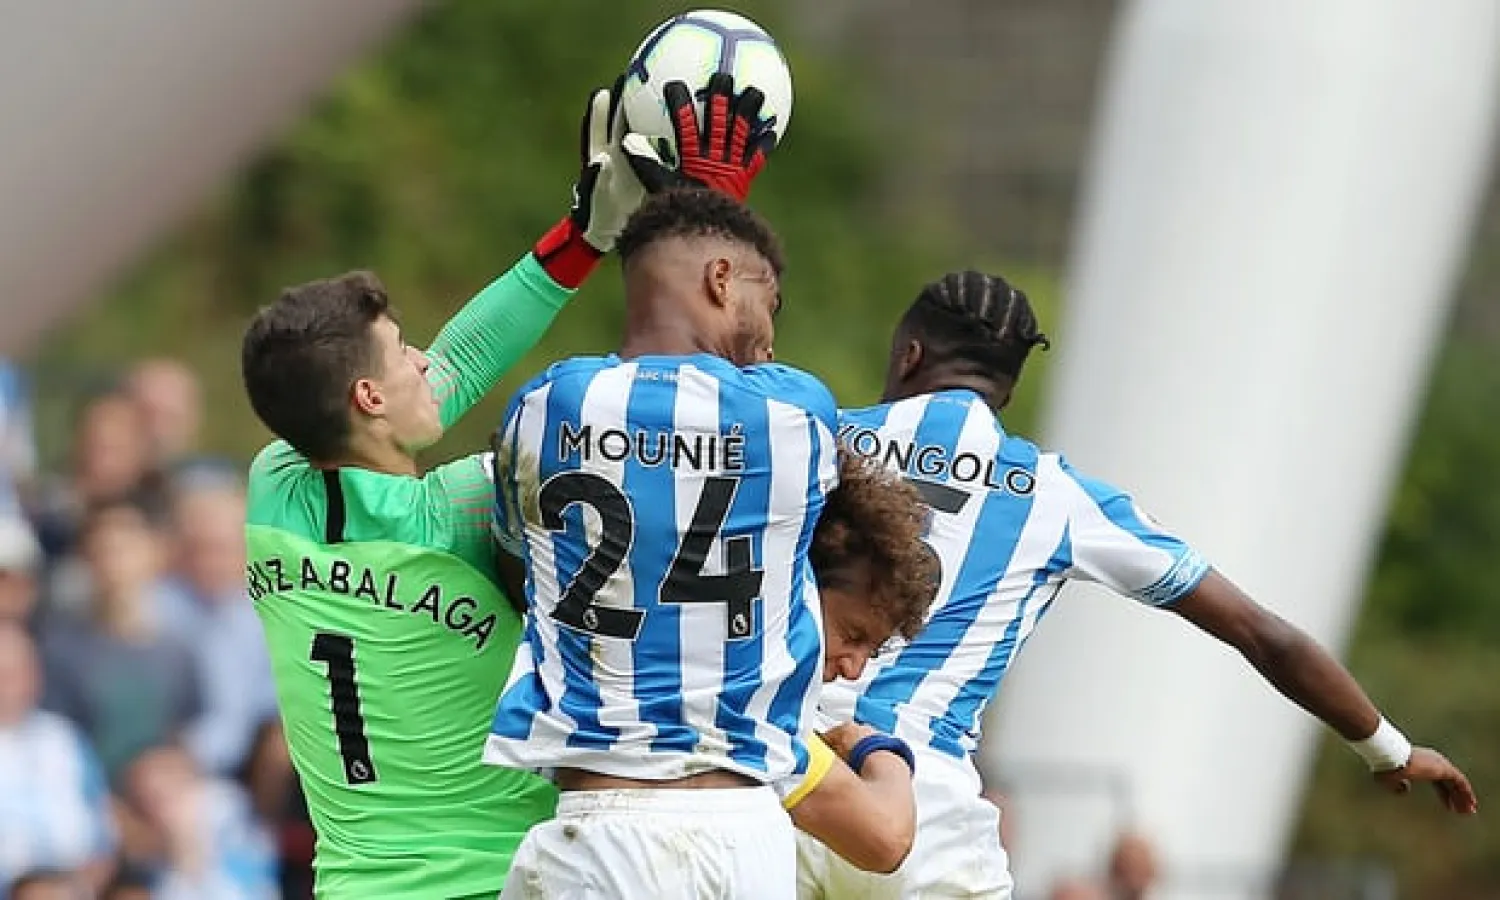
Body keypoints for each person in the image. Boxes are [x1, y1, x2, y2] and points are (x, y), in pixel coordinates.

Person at [798, 270, 1478, 899]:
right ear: (1006, 392)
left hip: (795, 781)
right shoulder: (1058, 498)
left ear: (909, 355)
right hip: (929, 819)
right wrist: (1388, 748)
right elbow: (1264, 635)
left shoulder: (817, 440)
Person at [238, 77, 724, 898]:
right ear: (369, 398)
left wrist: (584, 235)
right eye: (404, 352)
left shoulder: (271, 489)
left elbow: (455, 366)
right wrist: (689, 250)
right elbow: (634, 425)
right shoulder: (465, 508)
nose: (425, 361)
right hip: (496, 881)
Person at [486, 178, 930, 896]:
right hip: (746, 834)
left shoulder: (543, 407)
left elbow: (518, 557)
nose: (770, 337)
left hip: (602, 821)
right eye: (768, 301)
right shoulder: (795, 415)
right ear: (721, 278)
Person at [783, 448, 940, 876]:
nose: (853, 670)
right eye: (852, 635)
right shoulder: (758, 718)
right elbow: (887, 839)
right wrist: (878, 750)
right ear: (803, 586)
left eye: (871, 651)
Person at [0, 623, 116, 897]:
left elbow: (103, 832)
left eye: (18, 671)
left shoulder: (65, 738)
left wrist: (81, 885)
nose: (9, 684)